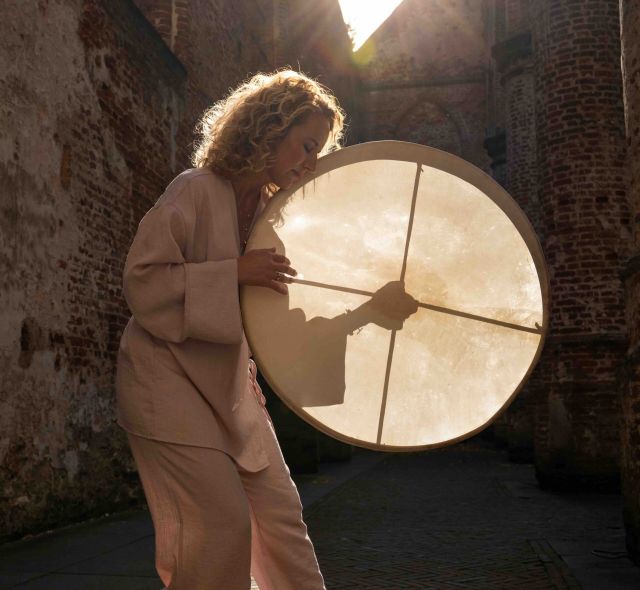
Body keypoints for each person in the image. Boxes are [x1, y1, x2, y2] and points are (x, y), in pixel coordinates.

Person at [116, 70, 344, 590]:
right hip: (164, 378)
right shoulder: (194, 189)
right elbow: (142, 281)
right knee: (221, 524)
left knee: (283, 518)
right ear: (270, 129)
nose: (310, 164)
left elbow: (279, 314)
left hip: (230, 383)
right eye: (307, 146)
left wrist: (367, 312)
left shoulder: (270, 217)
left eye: (319, 153)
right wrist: (234, 271)